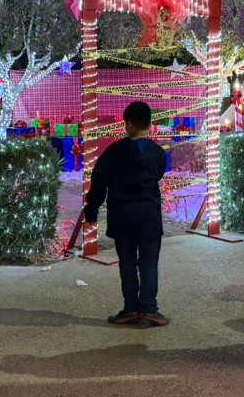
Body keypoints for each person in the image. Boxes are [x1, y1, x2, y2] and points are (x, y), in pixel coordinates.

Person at [83, 101, 169, 328]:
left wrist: (92, 207)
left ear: (129, 124)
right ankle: (149, 309)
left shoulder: (114, 152)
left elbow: (99, 181)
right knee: (149, 264)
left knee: (127, 264)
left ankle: (130, 308)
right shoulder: (158, 153)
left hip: (123, 217)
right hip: (149, 217)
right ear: (149, 124)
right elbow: (158, 175)